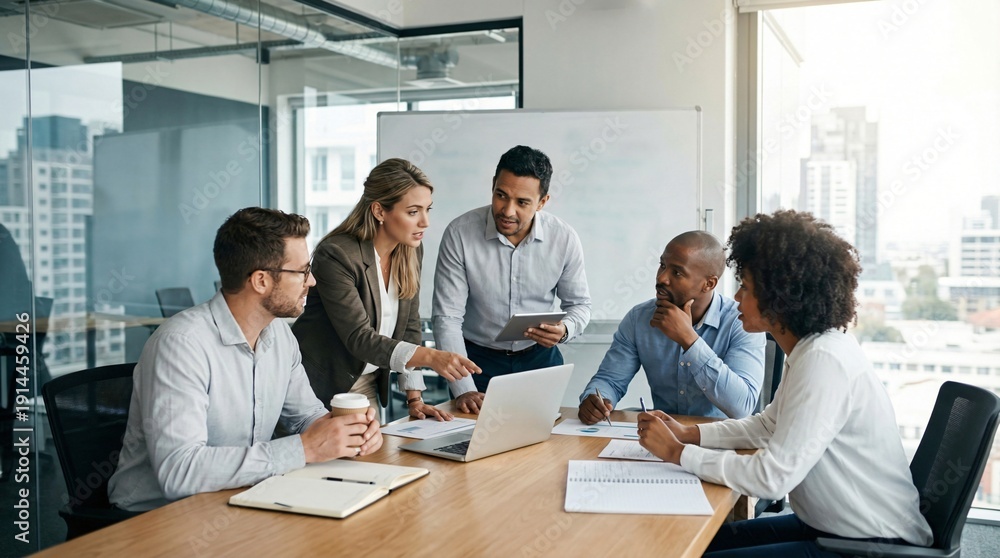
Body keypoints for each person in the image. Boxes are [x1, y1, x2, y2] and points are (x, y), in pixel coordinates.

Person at [637, 210, 933, 556]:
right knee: (693, 542)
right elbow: (768, 425)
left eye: (745, 288)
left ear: (781, 297)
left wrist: (677, 453)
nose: (736, 299)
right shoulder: (812, 349)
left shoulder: (824, 360)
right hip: (830, 525)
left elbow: (771, 478)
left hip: (869, 544)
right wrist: (691, 434)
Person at [109, 208, 382, 512]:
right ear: (261, 281)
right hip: (155, 519)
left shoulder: (279, 336)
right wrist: (303, 449)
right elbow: (179, 471)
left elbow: (305, 417)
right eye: (303, 271)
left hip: (239, 500)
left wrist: (349, 432)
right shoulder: (182, 345)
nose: (312, 282)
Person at [293, 159, 479, 421]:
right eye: (413, 212)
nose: (425, 222)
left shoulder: (410, 250)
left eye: (428, 209)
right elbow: (359, 337)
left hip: (366, 384)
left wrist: (414, 398)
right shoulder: (337, 254)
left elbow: (410, 328)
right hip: (319, 386)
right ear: (380, 211)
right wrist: (430, 356)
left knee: (372, 459)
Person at [432, 145, 592, 413]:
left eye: (522, 202)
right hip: (475, 363)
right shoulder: (459, 233)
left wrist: (564, 329)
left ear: (542, 202)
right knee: (475, 445)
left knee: (543, 444)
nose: (507, 211)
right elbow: (447, 317)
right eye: (501, 195)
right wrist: (465, 388)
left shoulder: (564, 238)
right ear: (493, 186)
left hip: (540, 360)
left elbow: (580, 306)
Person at [578, 231, 764, 423]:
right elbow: (610, 380)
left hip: (719, 441)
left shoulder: (740, 322)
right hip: (662, 438)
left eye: (677, 272)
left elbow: (742, 407)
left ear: (708, 284)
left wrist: (689, 340)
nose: (662, 279)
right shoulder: (639, 319)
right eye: (662, 266)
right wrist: (595, 399)